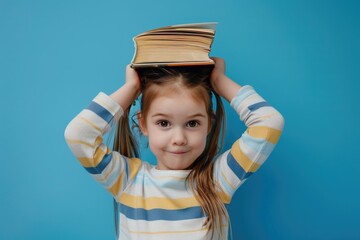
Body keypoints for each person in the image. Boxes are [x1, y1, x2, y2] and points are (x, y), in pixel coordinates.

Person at [64, 57, 284, 239]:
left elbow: (269, 123)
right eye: (163, 123)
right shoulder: (127, 180)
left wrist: (220, 81)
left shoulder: (217, 180)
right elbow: (78, 135)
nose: (179, 138)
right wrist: (131, 88)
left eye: (192, 123)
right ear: (143, 123)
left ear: (209, 123)